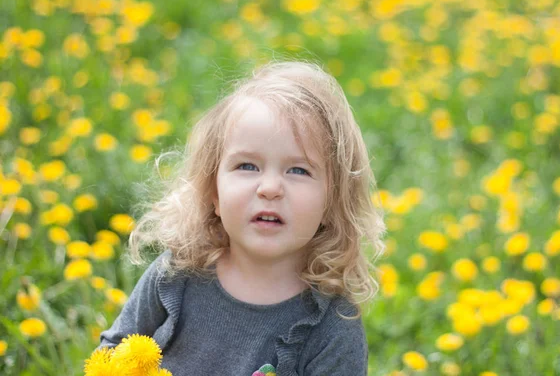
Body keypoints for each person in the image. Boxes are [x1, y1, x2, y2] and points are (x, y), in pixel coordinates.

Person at [99, 60, 386, 375]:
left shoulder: (332, 328)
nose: (270, 188)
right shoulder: (174, 276)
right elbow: (111, 355)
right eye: (248, 166)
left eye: (298, 170)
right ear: (213, 192)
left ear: (332, 202)